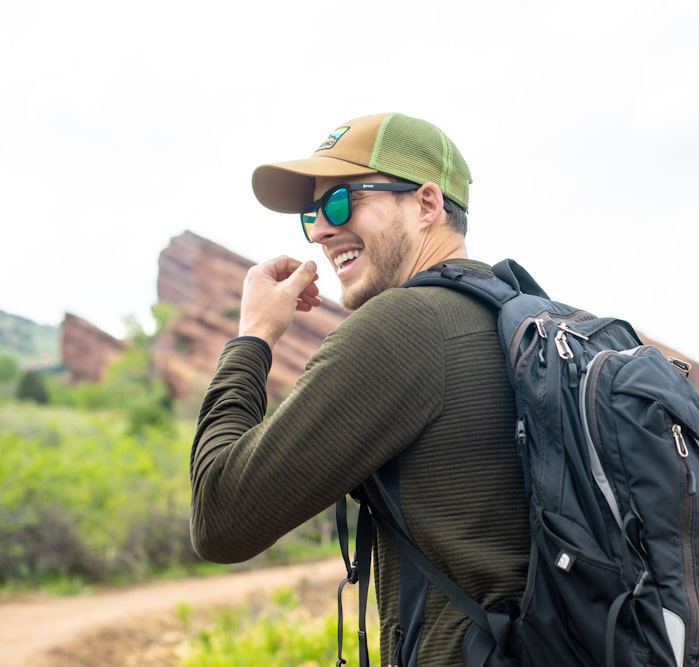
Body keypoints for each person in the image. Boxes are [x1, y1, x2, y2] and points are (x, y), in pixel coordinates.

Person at [189, 113, 530, 666]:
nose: (322, 229)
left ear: (426, 204)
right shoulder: (518, 317)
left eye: (341, 201)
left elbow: (220, 517)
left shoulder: (406, 326)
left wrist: (254, 336)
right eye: (312, 215)